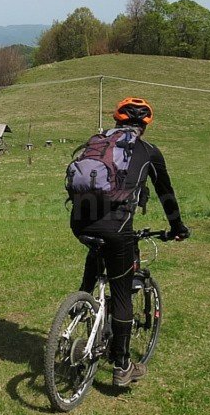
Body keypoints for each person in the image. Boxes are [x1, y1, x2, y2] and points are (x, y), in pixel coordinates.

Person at [68, 97, 189, 387]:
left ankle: (82, 300)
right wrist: (177, 227)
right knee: (122, 292)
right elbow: (166, 192)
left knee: (98, 249)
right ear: (145, 125)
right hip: (117, 227)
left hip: (79, 222)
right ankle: (122, 366)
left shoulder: (97, 141)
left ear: (117, 120)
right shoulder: (148, 151)